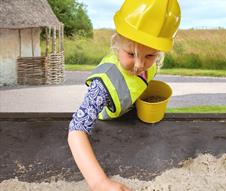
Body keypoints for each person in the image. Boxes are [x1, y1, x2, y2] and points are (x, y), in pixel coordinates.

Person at [68, 0, 181, 190]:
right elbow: (76, 129)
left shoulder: (150, 63)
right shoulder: (102, 85)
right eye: (131, 54)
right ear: (116, 43)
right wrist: (100, 182)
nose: (139, 65)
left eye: (149, 56)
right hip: (108, 125)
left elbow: (136, 81)